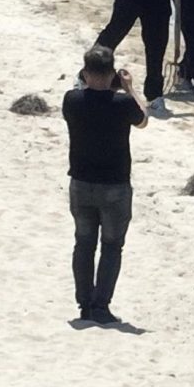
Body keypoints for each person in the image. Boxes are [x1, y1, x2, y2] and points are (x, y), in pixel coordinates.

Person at [62, 44, 148, 325]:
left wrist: (89, 79)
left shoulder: (72, 101)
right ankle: (101, 305)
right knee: (112, 247)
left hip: (81, 183)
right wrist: (129, 87)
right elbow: (144, 118)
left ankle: (85, 304)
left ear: (86, 73)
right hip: (115, 186)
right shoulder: (122, 104)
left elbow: (80, 88)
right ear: (111, 73)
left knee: (83, 244)